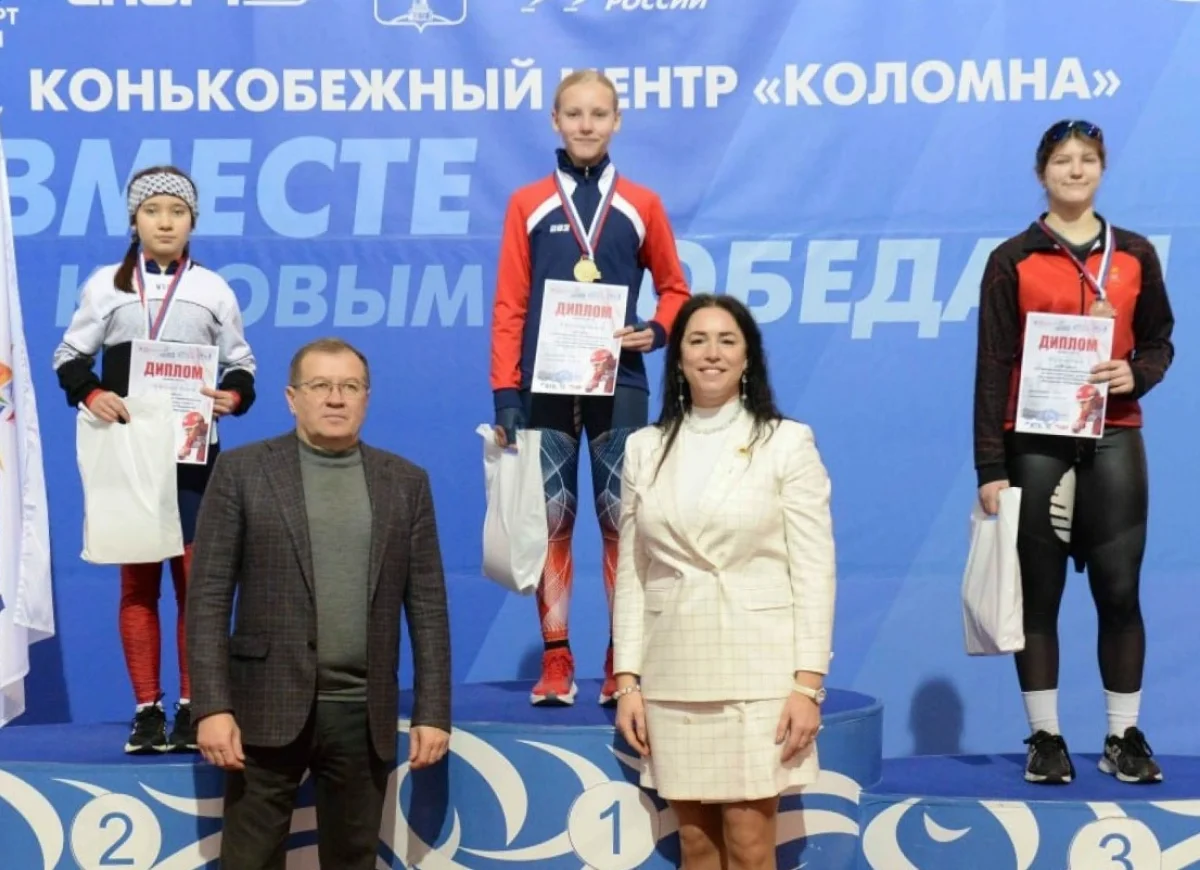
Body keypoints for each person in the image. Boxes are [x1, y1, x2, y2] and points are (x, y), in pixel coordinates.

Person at [185, 337, 452, 870]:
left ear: (366, 398)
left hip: (362, 714)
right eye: (321, 386)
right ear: (292, 398)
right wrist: (211, 706)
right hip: (263, 711)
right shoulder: (241, 472)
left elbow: (428, 607)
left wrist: (433, 712)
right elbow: (208, 598)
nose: (335, 398)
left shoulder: (406, 483)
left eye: (350, 386)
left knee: (354, 861)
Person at [974, 119, 1174, 785]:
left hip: (1114, 432)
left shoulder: (1135, 254)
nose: (1076, 170)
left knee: (1119, 590)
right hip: (1036, 440)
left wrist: (1136, 373)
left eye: (1087, 159)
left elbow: (1160, 340)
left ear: (1102, 170)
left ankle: (1123, 736)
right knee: (1039, 595)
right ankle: (1046, 737)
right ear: (1043, 173)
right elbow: (992, 365)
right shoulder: (1013, 258)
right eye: (1063, 160)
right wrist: (990, 466)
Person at [612, 294, 837, 868]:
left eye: (726, 340)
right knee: (695, 845)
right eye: (697, 340)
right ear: (679, 358)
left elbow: (814, 570)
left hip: (759, 675)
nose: (712, 353)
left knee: (749, 843)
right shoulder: (642, 448)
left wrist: (808, 686)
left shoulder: (786, 442)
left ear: (747, 357)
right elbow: (634, 573)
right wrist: (628, 680)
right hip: (673, 673)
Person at [490, 69, 691, 707]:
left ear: (617, 121)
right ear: (555, 120)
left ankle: (620, 659)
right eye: (574, 114)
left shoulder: (641, 203)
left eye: (599, 114)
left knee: (621, 524)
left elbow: (676, 290)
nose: (586, 125)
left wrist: (655, 332)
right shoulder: (528, 203)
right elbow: (510, 304)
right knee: (551, 521)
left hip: (619, 382)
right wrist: (505, 391)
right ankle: (556, 659)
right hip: (544, 386)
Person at [52, 164, 256, 754]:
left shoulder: (213, 289)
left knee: (197, 585)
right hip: (130, 458)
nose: (165, 223)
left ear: (193, 221)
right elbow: (68, 356)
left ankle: (195, 704)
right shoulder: (106, 286)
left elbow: (242, 363)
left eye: (177, 212)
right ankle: (147, 709)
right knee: (138, 584)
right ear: (134, 220)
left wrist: (234, 396)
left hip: (194, 459)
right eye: (152, 211)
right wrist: (91, 393)